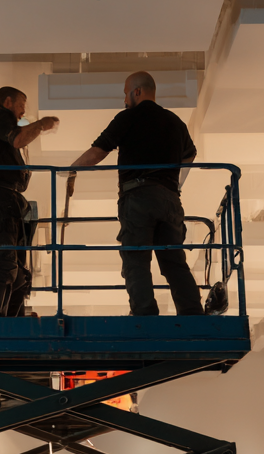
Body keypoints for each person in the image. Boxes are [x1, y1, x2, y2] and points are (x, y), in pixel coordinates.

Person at [67, 71, 203, 316]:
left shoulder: (128, 118)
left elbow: (98, 153)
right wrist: (173, 179)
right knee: (174, 261)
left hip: (139, 197)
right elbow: (190, 154)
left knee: (136, 259)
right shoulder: (175, 122)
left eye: (125, 93)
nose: (124, 99)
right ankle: (193, 312)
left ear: (137, 91)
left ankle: (145, 313)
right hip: (170, 199)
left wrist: (71, 171)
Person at [0, 86, 59, 317]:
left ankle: (10, 323)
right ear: (8, 102)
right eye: (21, 105)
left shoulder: (0, 125)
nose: (23, 112)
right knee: (4, 264)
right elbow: (18, 139)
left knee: (20, 275)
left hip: (7, 201)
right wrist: (41, 124)